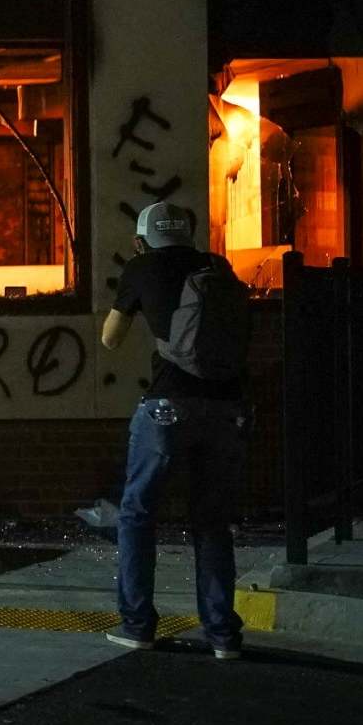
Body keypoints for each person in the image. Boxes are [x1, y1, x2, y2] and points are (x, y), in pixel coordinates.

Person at [99, 198, 252, 661]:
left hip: (167, 407)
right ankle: (223, 635)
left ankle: (138, 625)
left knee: (138, 514)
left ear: (142, 239)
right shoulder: (216, 265)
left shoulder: (140, 268)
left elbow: (111, 337)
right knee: (211, 521)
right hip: (227, 406)